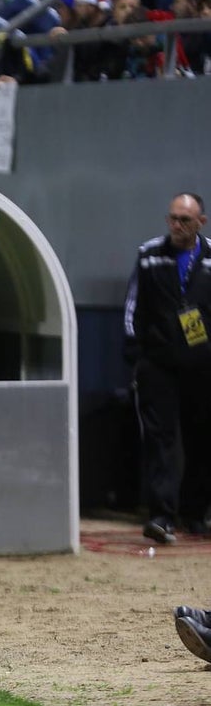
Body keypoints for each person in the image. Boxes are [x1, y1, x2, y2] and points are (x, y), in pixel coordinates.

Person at [124, 192, 211, 544]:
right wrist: (136, 356)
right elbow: (133, 307)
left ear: (200, 222)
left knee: (202, 439)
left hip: (203, 365)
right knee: (161, 440)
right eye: (172, 218)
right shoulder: (149, 256)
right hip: (158, 364)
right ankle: (162, 515)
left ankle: (195, 512)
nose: (177, 225)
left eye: (185, 220)